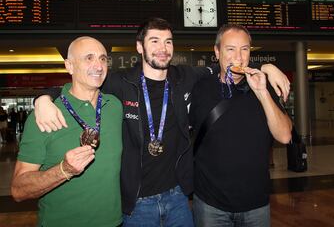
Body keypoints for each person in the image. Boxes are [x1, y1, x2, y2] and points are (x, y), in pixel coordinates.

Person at [34, 18, 290, 226]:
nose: (162, 48)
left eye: (168, 41)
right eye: (154, 41)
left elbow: (227, 68)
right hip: (137, 203)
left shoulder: (186, 77)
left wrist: (267, 66)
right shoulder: (120, 82)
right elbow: (82, 82)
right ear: (139, 46)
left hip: (178, 197)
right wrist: (43, 98)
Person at [11, 36, 123, 227]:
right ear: (69, 66)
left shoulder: (114, 106)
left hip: (113, 223)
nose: (98, 66)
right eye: (89, 58)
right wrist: (63, 170)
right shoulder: (45, 116)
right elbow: (18, 189)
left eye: (103, 58)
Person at [189, 24, 292, 227]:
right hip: (210, 205)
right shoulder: (200, 88)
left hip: (256, 205)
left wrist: (262, 92)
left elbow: (285, 136)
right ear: (217, 52)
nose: (239, 56)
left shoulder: (264, 86)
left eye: (244, 49)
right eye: (230, 49)